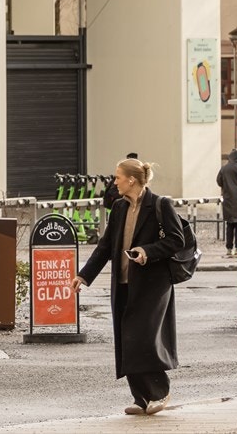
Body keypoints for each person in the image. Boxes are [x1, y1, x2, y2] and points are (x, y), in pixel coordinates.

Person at [75, 158, 186, 416]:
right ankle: (141, 398)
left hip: (152, 285)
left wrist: (147, 251)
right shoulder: (119, 208)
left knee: (144, 338)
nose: (115, 182)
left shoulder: (160, 204)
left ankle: (160, 392)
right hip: (123, 284)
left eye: (118, 177)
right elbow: (105, 247)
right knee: (127, 340)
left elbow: (176, 240)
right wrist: (83, 276)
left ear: (131, 180)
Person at [216, 149, 237, 257]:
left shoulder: (223, 168)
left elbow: (218, 181)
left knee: (229, 225)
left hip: (227, 200)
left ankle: (228, 248)